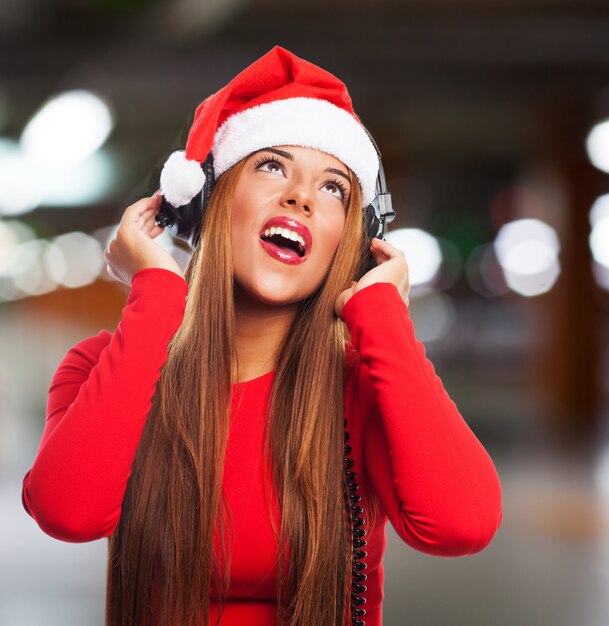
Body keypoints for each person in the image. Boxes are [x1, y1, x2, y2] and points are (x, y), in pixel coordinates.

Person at [21, 46, 503, 626]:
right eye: (272, 166)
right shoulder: (102, 364)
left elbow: (462, 525)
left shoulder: (362, 388)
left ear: (349, 242)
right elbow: (66, 513)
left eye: (334, 189)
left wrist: (383, 316)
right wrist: (156, 294)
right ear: (209, 203)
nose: (300, 196)